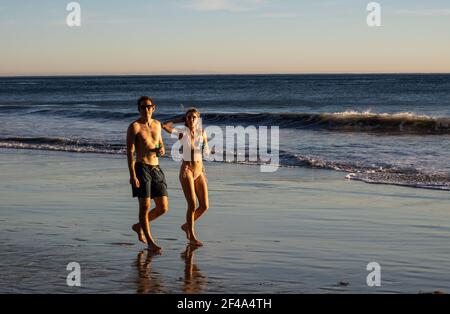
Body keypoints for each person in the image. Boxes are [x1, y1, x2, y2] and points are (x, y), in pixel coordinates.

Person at [162, 108, 209, 247]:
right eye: (188, 117)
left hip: (200, 171)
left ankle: (186, 226)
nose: (191, 119)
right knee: (192, 205)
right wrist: (179, 119)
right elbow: (165, 126)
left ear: (198, 118)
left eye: (194, 117)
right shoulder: (182, 132)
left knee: (205, 206)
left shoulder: (203, 132)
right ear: (185, 119)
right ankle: (192, 236)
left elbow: (205, 151)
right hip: (187, 170)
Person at [127, 96, 169, 252]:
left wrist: (162, 150)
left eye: (148, 106)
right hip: (141, 168)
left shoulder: (157, 125)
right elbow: (130, 152)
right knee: (145, 207)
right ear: (139, 109)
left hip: (156, 168)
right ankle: (150, 241)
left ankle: (139, 226)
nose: (146, 109)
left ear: (153, 108)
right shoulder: (134, 127)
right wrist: (133, 175)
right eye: (143, 107)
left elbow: (160, 145)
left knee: (163, 208)